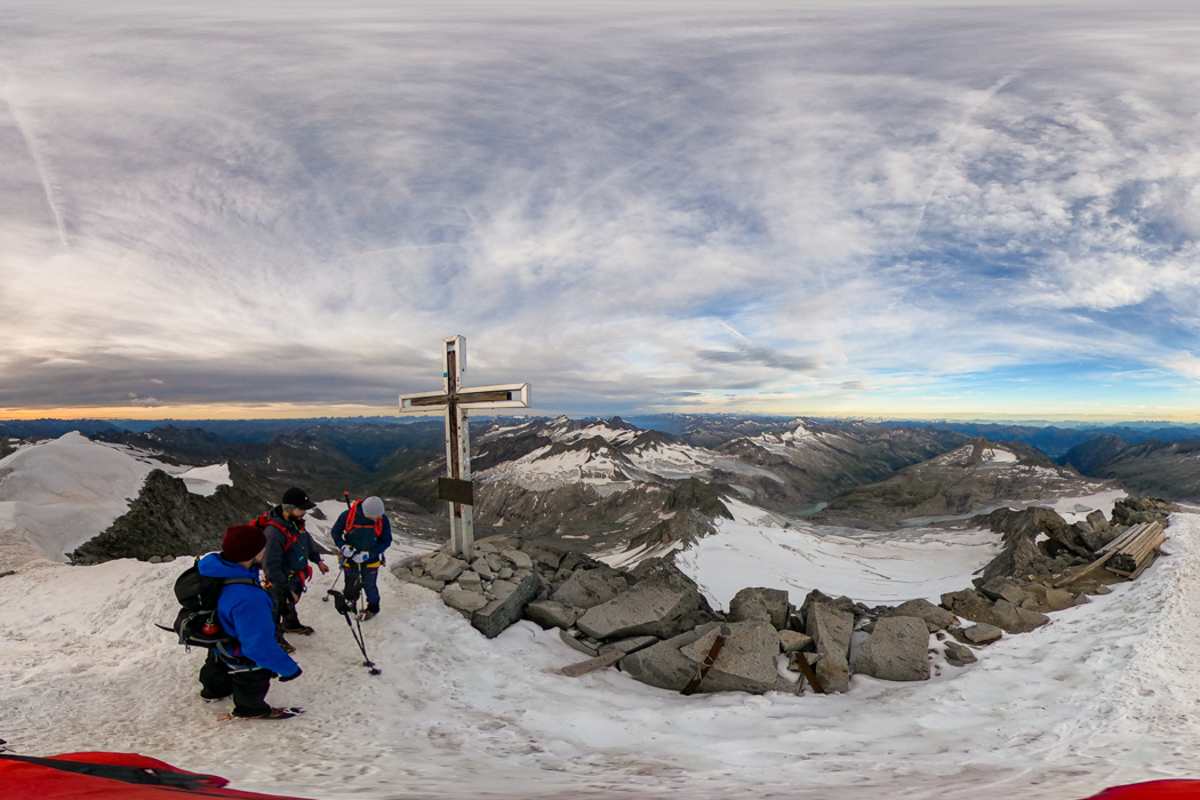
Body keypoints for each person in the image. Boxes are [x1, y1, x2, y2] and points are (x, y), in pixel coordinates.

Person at [197, 524, 303, 719]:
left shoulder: (214, 570)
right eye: (262, 547)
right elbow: (258, 647)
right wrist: (289, 669)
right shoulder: (249, 598)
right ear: (250, 554)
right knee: (256, 669)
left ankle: (213, 690)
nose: (265, 550)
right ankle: (250, 708)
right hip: (236, 649)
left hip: (217, 641)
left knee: (218, 660)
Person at [260, 487, 330, 648]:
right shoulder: (274, 533)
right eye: (301, 509)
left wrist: (318, 561)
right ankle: (273, 639)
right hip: (280, 579)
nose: (304, 512)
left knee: (289, 603)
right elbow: (270, 565)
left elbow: (306, 543)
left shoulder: (296, 523)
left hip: (294, 577)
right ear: (289, 509)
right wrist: (285, 589)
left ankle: (290, 623)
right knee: (276, 608)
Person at [331, 495, 392, 620]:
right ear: (365, 513)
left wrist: (370, 554)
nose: (379, 518)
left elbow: (386, 541)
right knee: (350, 581)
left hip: (371, 559)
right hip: (350, 557)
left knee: (369, 584)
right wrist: (343, 547)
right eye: (375, 516)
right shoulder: (348, 516)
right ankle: (350, 600)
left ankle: (373, 608)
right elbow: (335, 532)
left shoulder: (382, 519)